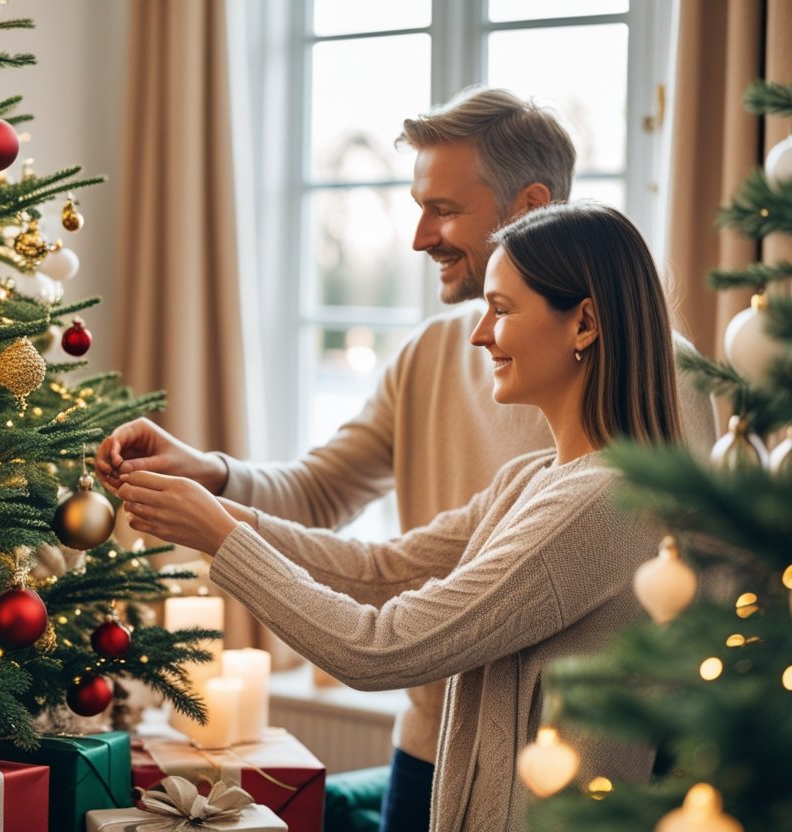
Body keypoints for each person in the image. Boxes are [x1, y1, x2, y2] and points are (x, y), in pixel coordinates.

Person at [97, 87, 716, 831]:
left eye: (443, 209)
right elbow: (378, 562)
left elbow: (382, 646)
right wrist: (212, 492)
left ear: (529, 206)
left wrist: (221, 534)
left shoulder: (637, 432)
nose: (420, 237)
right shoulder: (512, 455)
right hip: (447, 737)